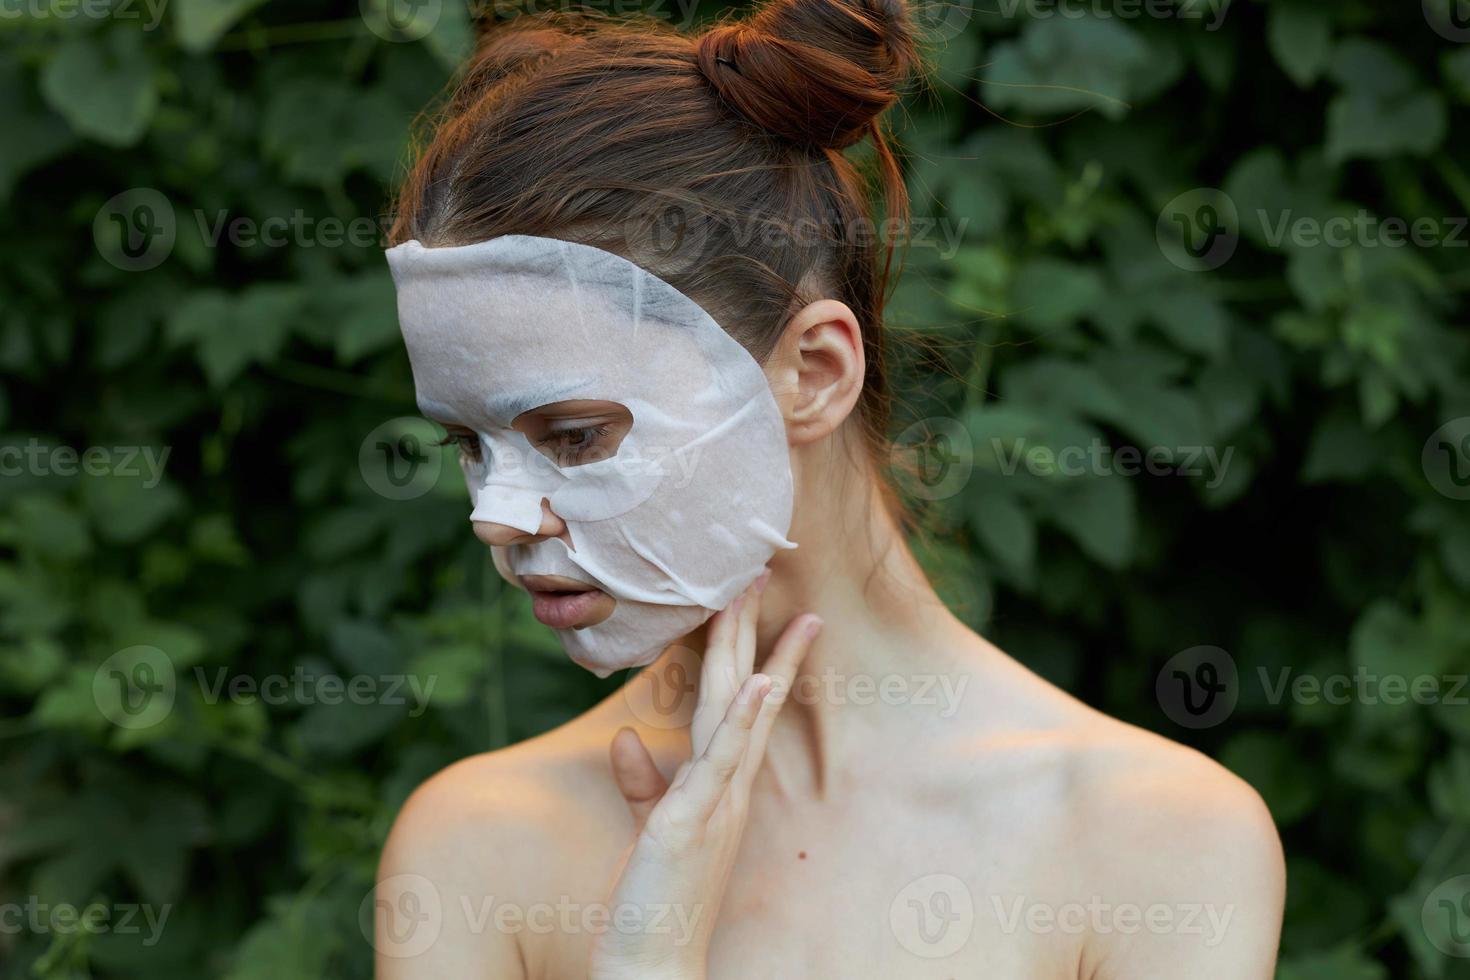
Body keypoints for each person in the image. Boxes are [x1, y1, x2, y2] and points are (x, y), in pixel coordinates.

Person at [375, 0, 1286, 975]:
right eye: (471, 444)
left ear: (813, 371)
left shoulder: (1152, 840)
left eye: (576, 434)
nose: (495, 517)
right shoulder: (476, 848)